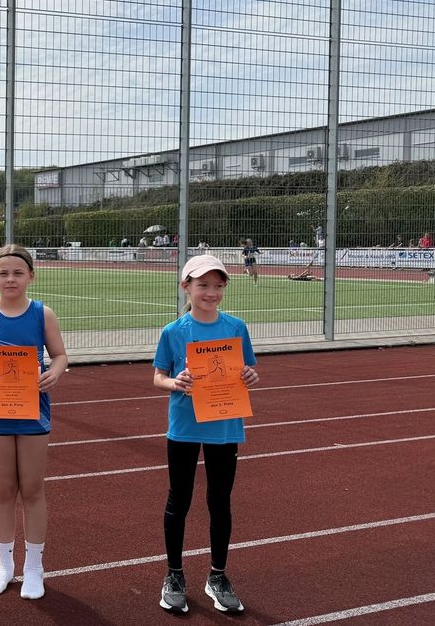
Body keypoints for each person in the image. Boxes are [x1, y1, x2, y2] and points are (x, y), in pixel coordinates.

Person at [153, 255, 260, 614]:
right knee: (179, 500)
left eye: (217, 285)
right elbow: (158, 377)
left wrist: (250, 376)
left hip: (225, 425)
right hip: (184, 427)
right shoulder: (173, 331)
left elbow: (247, 370)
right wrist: (174, 382)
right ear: (186, 287)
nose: (211, 292)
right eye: (203, 285)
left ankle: (217, 575)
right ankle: (174, 575)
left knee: (220, 501)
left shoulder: (236, 327)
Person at [0, 245, 68, 600]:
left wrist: (54, 373)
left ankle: (34, 567)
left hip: (34, 411)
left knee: (33, 489)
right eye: (3, 273)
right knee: (3, 489)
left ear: (31, 277)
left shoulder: (42, 314)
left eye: (18, 273)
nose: (10, 279)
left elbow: (60, 355)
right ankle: (4, 565)